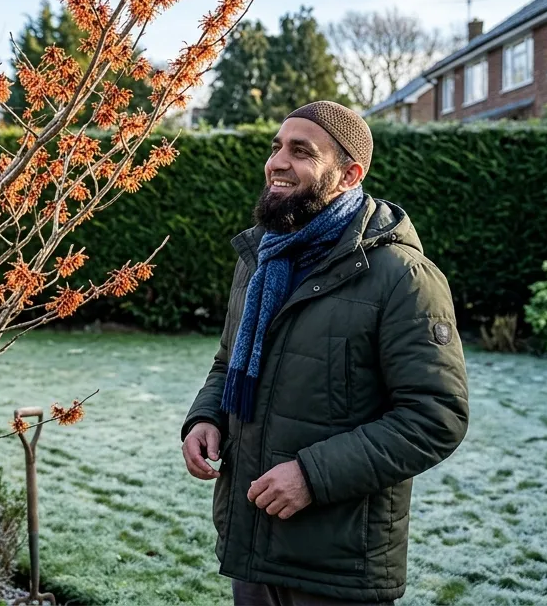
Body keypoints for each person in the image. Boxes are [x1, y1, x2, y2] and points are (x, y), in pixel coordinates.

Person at [180, 101, 469, 606]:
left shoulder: (402, 277)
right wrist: (206, 417)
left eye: (300, 151)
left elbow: (435, 416)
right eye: (276, 148)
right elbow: (230, 361)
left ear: (349, 174)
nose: (277, 162)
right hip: (251, 544)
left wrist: (313, 476)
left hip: (338, 563)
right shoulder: (260, 259)